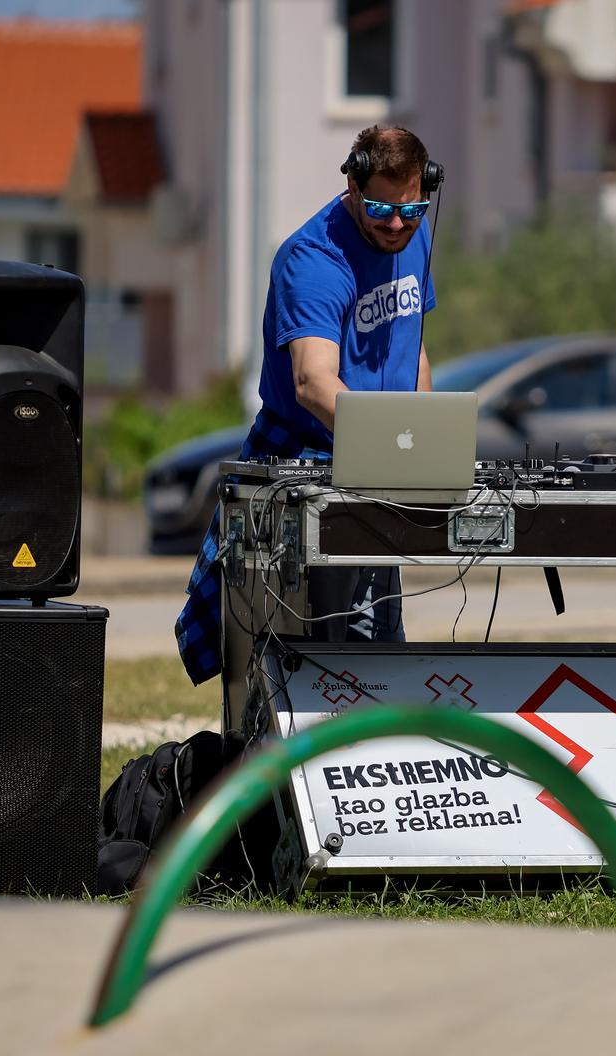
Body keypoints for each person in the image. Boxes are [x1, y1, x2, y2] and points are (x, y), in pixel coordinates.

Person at [175, 124, 442, 685]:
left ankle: (371, 747)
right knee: (311, 647)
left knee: (377, 640)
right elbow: (313, 383)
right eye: (379, 208)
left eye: (410, 209)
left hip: (377, 452)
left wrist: (423, 435)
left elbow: (412, 345)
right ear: (350, 184)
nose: (396, 223)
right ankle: (289, 757)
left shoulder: (412, 234)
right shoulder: (314, 257)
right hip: (305, 456)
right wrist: (391, 448)